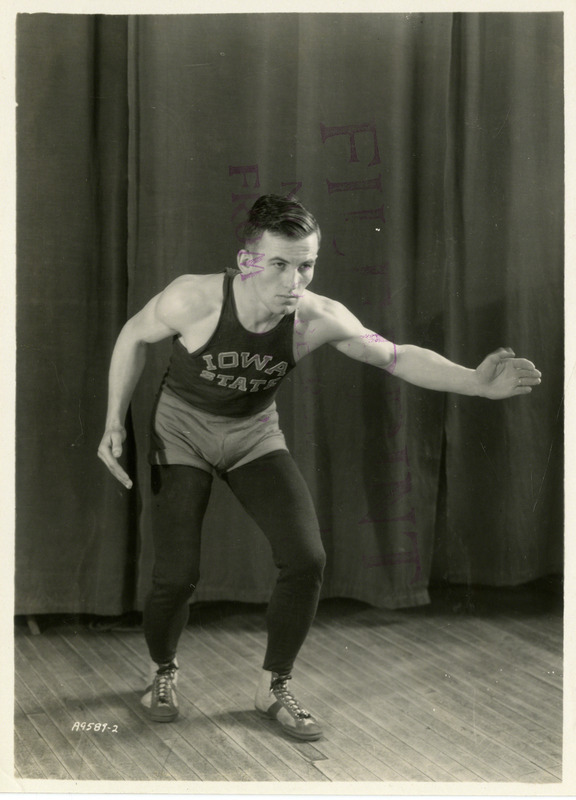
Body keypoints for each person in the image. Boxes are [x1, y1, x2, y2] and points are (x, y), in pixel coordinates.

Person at [97, 194, 541, 740]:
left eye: (305, 265)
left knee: (306, 558)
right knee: (177, 574)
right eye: (280, 264)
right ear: (248, 262)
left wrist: (475, 381)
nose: (294, 281)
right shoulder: (193, 299)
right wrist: (115, 421)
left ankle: (272, 686)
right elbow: (132, 336)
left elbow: (396, 355)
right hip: (181, 433)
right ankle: (161, 671)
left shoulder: (318, 318)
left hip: (253, 435)